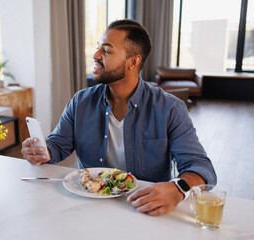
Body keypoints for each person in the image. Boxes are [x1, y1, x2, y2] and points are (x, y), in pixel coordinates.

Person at [21, 19, 216, 216]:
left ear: (133, 61)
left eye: (106, 51)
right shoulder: (80, 102)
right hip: (89, 207)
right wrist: (42, 151)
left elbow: (200, 167)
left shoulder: (170, 108)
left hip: (145, 208)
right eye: (98, 48)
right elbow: (58, 145)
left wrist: (178, 189)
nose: (96, 55)